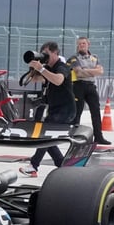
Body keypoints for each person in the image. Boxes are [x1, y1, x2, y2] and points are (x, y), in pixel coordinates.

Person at [20, 41, 75, 177]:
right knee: (47, 138)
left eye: (47, 54)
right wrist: (35, 68)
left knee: (45, 135)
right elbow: (34, 80)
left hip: (65, 110)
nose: (45, 57)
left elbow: (58, 80)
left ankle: (34, 165)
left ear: (55, 53)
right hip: (55, 109)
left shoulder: (62, 66)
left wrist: (42, 69)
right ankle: (62, 165)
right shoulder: (48, 68)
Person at [69, 37, 109, 144]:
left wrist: (86, 70)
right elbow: (79, 73)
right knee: (78, 111)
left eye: (83, 43)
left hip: (91, 86)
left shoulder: (94, 57)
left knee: (95, 111)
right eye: (79, 44)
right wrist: (93, 71)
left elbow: (100, 71)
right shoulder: (74, 58)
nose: (81, 45)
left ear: (88, 44)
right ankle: (73, 135)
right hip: (78, 86)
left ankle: (99, 136)